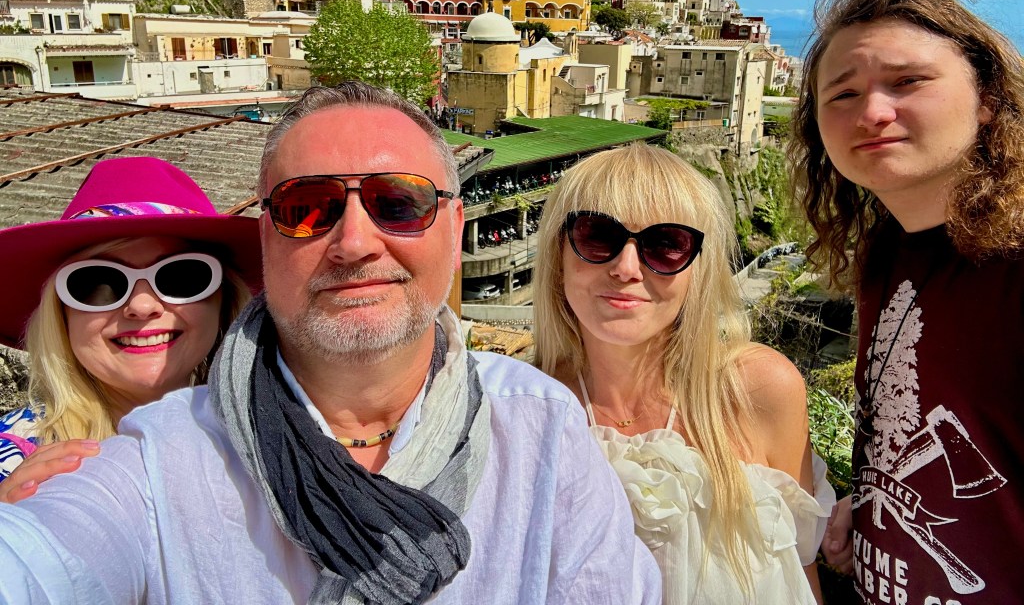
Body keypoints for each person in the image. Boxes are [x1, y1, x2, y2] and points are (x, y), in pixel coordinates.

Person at [0, 82, 660, 605]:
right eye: (306, 208)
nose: (354, 242)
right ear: (267, 239)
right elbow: (44, 559)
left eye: (399, 203)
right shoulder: (152, 459)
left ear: (455, 227)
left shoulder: (541, 428)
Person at [791, 0, 1024, 604]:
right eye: (842, 94)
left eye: (908, 81)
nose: (872, 112)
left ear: (987, 98)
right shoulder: (887, 254)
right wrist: (868, 511)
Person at [533, 143, 836, 604]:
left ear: (699, 269)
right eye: (597, 235)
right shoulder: (524, 409)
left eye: (665, 245)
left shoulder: (760, 391)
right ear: (558, 257)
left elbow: (800, 572)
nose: (626, 269)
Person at [0, 156, 260, 503]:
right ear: (61, 313)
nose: (142, 305)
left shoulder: (279, 436)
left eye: (182, 276)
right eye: (98, 283)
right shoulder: (11, 465)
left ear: (224, 300)